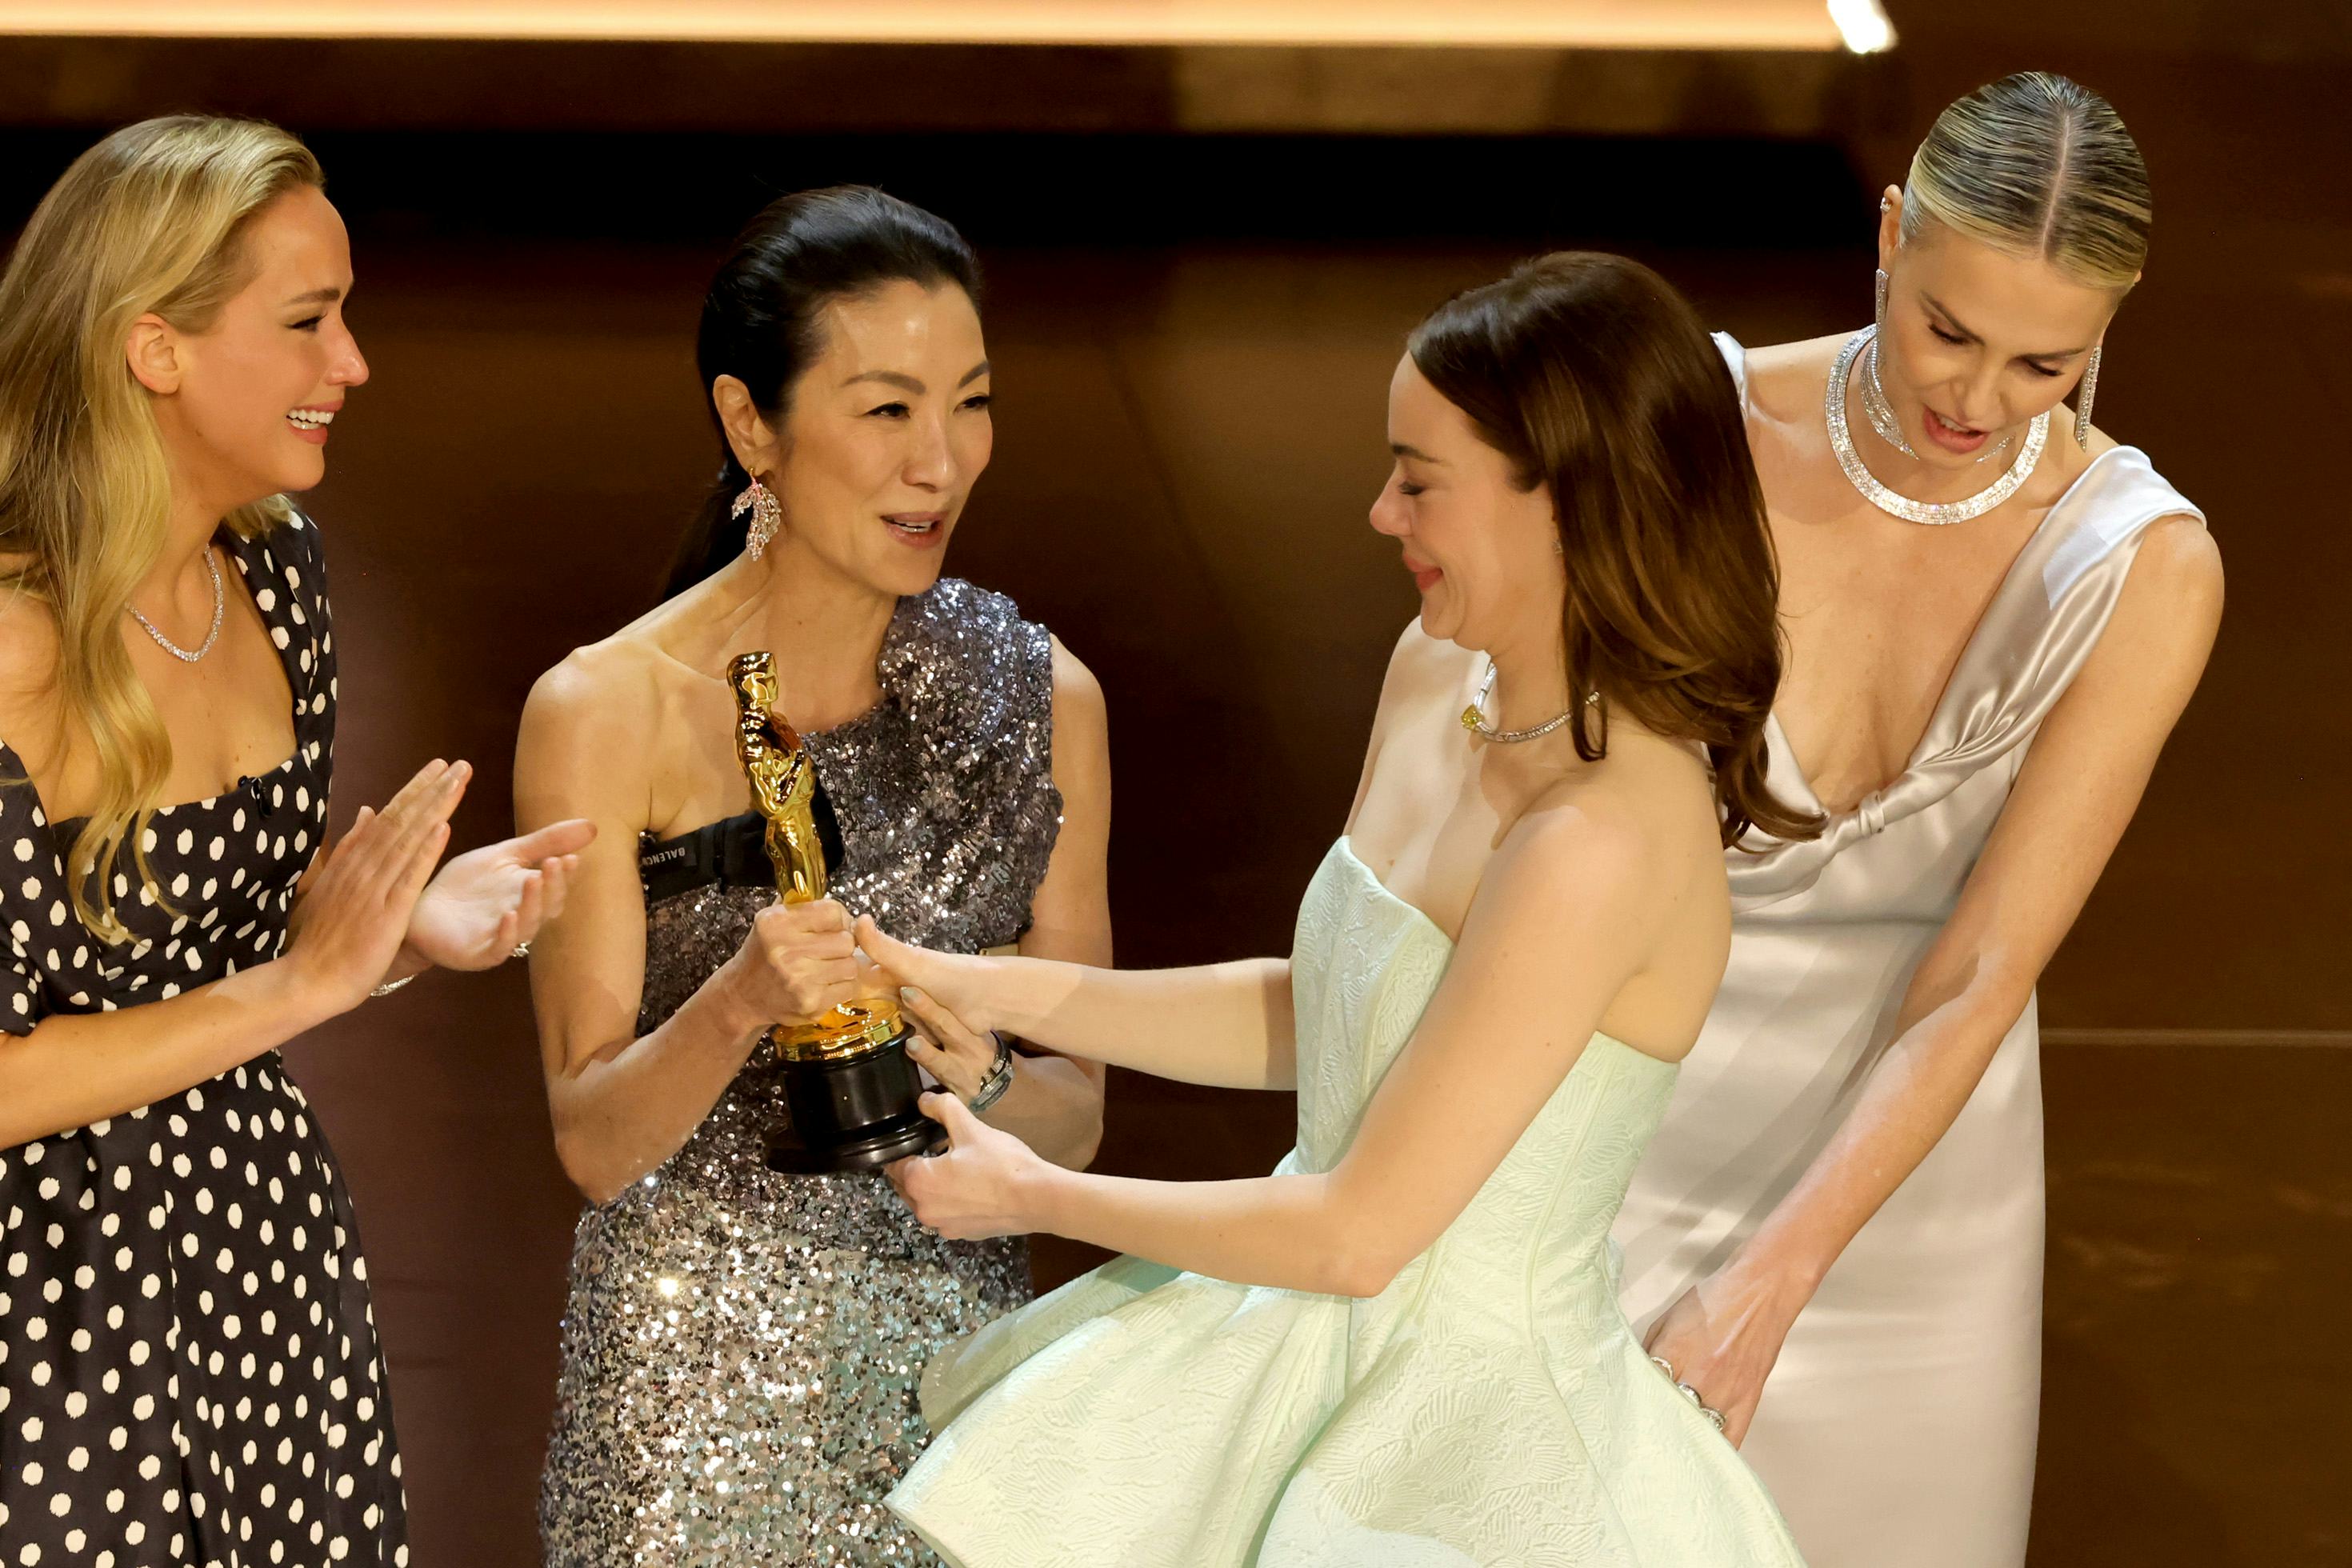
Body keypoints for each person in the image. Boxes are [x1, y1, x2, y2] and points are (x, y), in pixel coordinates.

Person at [866, 251, 1815, 1568]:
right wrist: (988, 985)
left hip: (1464, 1451)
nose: (1379, 513)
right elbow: (1337, 1011)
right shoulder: (1442, 673)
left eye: (1420, 481)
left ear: (1566, 502)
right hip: (1293, 1325)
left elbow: (1364, 1233)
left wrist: (1037, 1194)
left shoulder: (1599, 839)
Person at [1613, 72, 2222, 1567]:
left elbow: (1979, 972)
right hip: (1609, 1130)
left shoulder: (2143, 567)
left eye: (2043, 363)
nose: (1975, 399)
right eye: (1948, 329)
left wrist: (1771, 1281)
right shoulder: (1689, 430)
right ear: (1888, 235)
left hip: (1909, 1207)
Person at [0, 116, 590, 1565]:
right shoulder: (10, 642)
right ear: (157, 350)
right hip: (42, 1309)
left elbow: (232, 963)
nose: (355, 364)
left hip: (260, 1260)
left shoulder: (276, 576)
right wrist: (302, 987)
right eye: (310, 321)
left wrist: (396, 934)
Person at [516, 186, 1110, 1566]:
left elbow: (1077, 1120)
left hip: (954, 1394)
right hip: (683, 1401)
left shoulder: (1044, 700)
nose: (943, 463)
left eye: (969, 404)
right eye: (888, 410)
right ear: (749, 425)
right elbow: (594, 1144)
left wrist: (992, 1078)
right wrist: (736, 1002)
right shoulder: (604, 710)